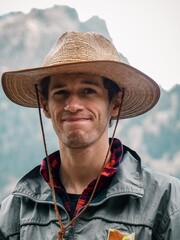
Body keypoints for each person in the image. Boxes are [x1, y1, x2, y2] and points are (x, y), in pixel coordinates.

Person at [0, 31, 180, 240]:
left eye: (88, 91)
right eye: (60, 92)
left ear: (115, 103)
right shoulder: (14, 213)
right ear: (45, 105)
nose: (73, 105)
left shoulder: (166, 202)